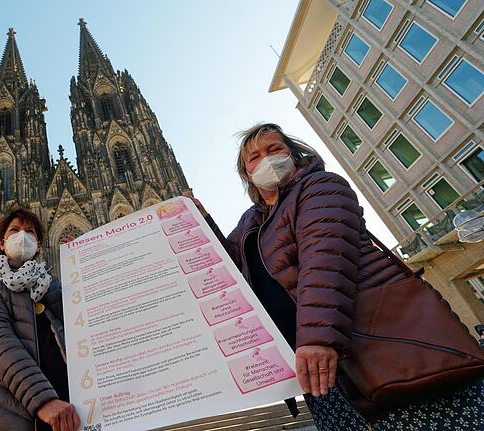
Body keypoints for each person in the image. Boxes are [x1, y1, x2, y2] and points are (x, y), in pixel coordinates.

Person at [192, 123, 484, 430]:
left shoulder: (320, 186)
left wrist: (318, 337)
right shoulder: (251, 222)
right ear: (247, 173)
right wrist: (200, 223)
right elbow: (230, 269)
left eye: (274, 149)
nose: (265, 159)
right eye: (254, 157)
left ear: (294, 154)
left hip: (368, 346)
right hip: (313, 368)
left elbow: (325, 259)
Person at [0, 208, 80, 431]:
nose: (23, 236)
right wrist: (44, 400)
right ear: (1, 243)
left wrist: (80, 263)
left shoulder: (54, 286)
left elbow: (83, 323)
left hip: (68, 413)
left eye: (30, 232)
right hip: (11, 415)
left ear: (39, 245)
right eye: (15, 230)